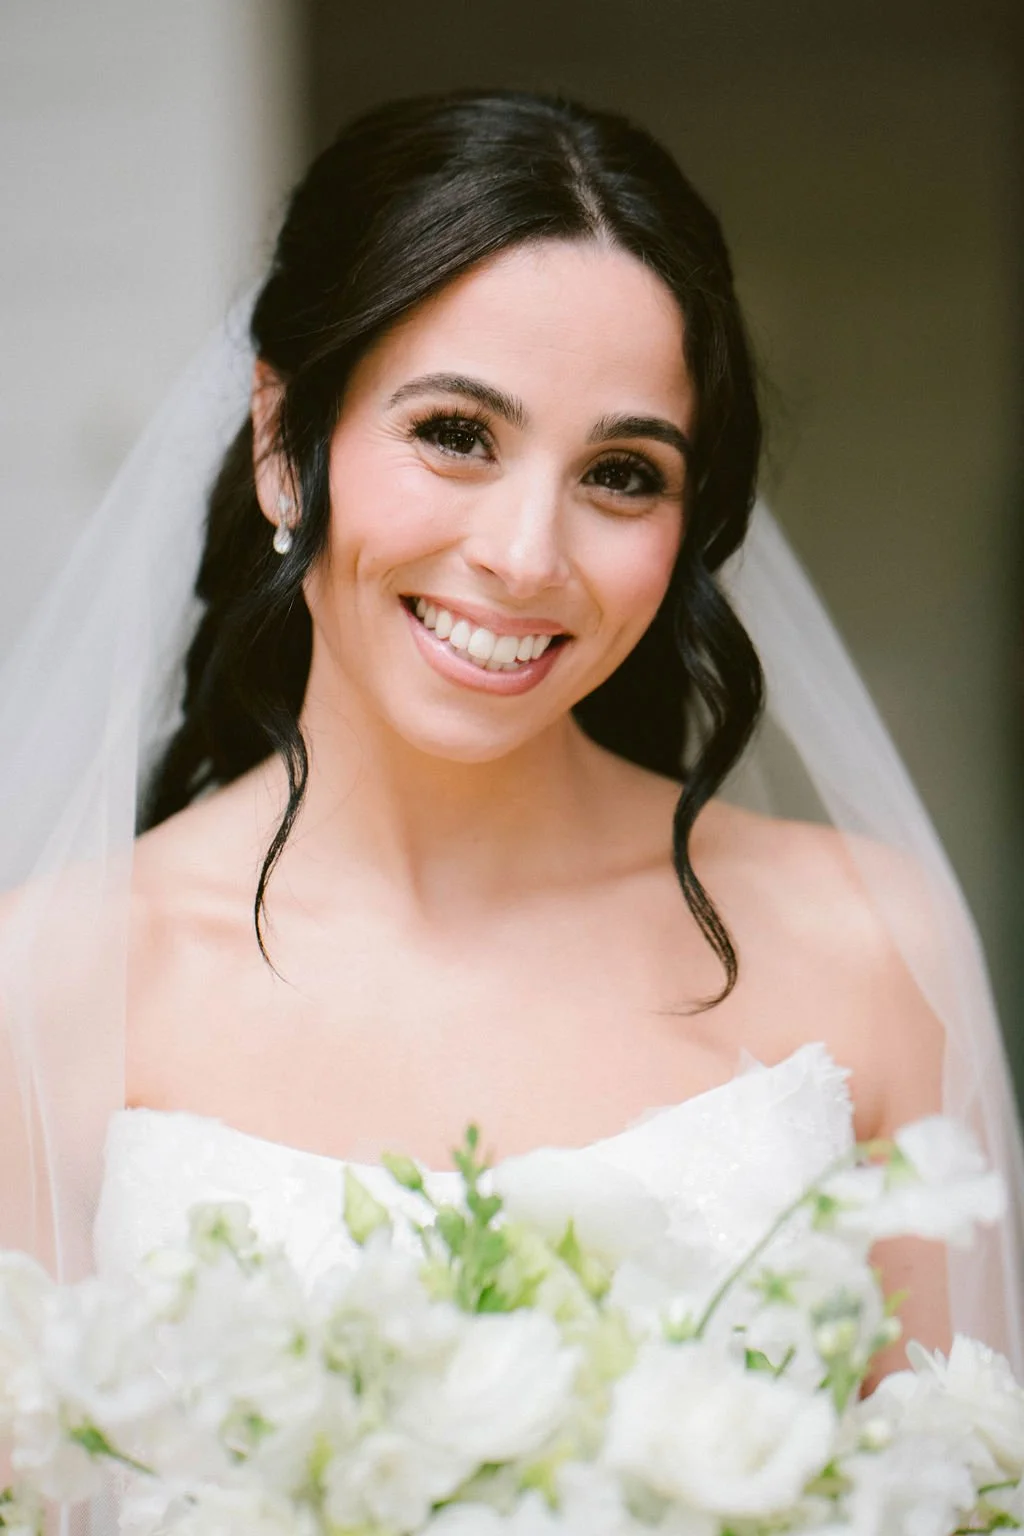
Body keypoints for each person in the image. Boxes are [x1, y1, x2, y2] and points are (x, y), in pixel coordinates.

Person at [1, 89, 1021, 1406]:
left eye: (623, 473)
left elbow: (958, 1485)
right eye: (454, 434)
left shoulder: (865, 945)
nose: (526, 558)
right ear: (281, 446)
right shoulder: (58, 983)